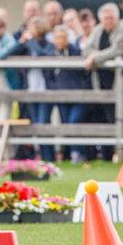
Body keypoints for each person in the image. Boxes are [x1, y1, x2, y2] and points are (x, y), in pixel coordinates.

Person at [83, 3, 123, 160]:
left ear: (116, 17)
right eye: (105, 17)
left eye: (111, 17)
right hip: (101, 80)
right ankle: (107, 154)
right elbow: (87, 50)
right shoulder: (98, 30)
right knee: (105, 115)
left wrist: (95, 58)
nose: (108, 20)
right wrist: (94, 56)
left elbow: (119, 49)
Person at [6, 17, 55, 161]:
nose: (29, 31)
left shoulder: (48, 44)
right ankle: (37, 155)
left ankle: (48, 156)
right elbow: (10, 53)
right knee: (34, 124)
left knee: (42, 123)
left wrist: (31, 41)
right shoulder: (27, 44)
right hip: (30, 90)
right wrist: (21, 41)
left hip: (45, 90)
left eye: (32, 28)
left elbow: (42, 54)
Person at [46, 26, 89, 163]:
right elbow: (48, 77)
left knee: (74, 122)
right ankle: (72, 154)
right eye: (57, 38)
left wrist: (82, 88)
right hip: (61, 96)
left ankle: (78, 153)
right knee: (65, 124)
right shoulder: (50, 54)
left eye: (62, 37)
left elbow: (84, 73)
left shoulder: (76, 51)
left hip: (78, 96)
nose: (59, 40)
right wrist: (56, 89)